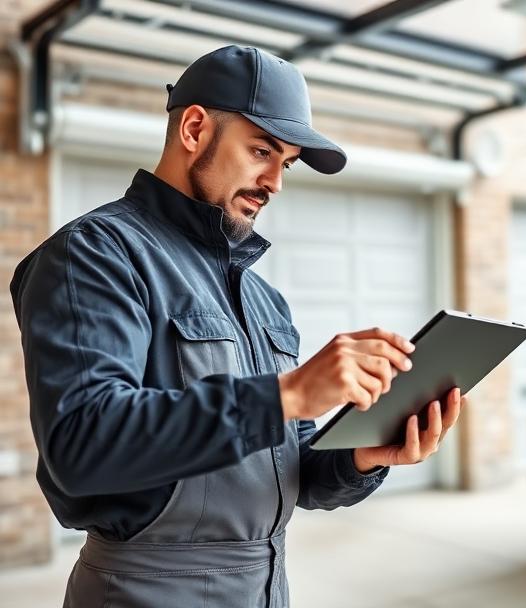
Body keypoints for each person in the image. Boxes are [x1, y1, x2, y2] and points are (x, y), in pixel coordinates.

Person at [10, 45, 465, 608]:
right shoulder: (95, 256)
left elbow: (291, 468)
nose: (275, 181)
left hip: (264, 589)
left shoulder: (263, 300)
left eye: (287, 163)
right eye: (260, 151)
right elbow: (82, 444)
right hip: (144, 593)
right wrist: (290, 393)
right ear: (195, 129)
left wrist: (366, 454)